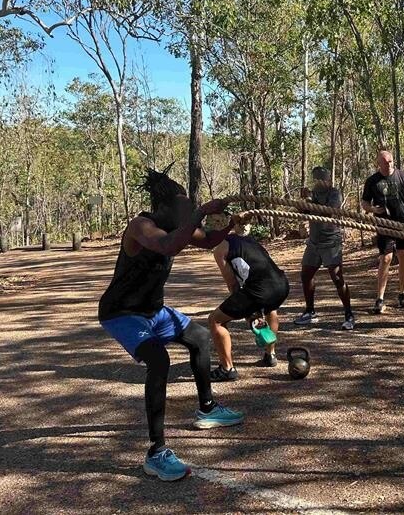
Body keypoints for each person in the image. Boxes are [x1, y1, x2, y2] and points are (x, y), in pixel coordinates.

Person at [98, 168, 243, 483]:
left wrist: (231, 224)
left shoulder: (177, 226)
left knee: (200, 336)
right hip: (121, 313)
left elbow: (206, 241)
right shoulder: (141, 226)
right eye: (183, 208)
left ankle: (207, 409)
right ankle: (156, 451)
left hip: (154, 311)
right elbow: (167, 246)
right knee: (159, 360)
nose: (187, 214)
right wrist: (201, 212)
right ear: (164, 207)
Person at [208, 213, 291, 381]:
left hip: (261, 290)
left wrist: (248, 311)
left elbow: (232, 285)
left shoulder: (220, 249)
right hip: (282, 285)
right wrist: (251, 310)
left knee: (216, 320)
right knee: (270, 308)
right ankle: (270, 355)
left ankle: (227, 368)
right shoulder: (251, 240)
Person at [294, 167, 355, 329]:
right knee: (306, 274)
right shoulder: (313, 193)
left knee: (337, 278)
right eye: (316, 179)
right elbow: (303, 210)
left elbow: (327, 212)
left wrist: (310, 201)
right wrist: (302, 201)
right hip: (313, 242)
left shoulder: (334, 193)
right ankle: (310, 311)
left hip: (330, 242)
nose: (318, 182)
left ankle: (349, 315)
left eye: (321, 179)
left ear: (327, 180)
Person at [361, 150, 404, 314]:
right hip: (384, 225)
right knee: (386, 258)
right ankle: (380, 298)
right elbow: (365, 203)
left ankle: (403, 294)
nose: (389, 164)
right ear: (378, 164)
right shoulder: (372, 181)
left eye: (391, 161)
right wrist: (373, 209)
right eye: (385, 162)